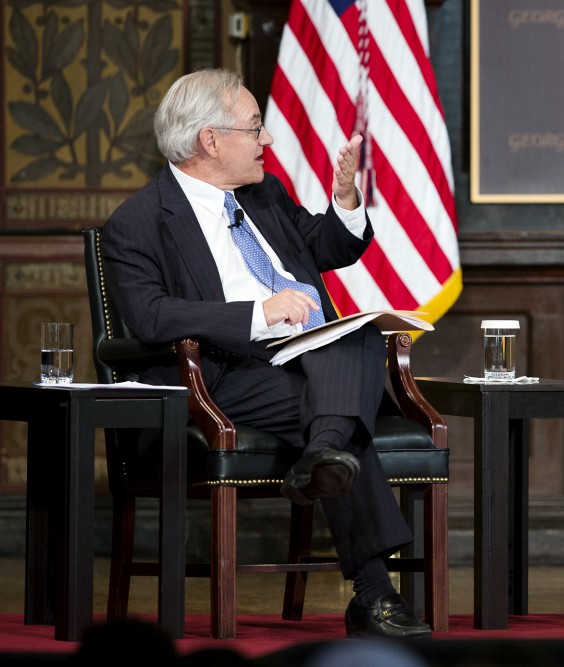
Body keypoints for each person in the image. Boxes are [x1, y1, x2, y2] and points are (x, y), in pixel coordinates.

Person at [101, 68, 430, 639]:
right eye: (255, 128)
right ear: (210, 140)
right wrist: (258, 314)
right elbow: (150, 316)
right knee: (343, 412)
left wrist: (346, 198)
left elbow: (329, 245)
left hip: (310, 362)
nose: (268, 140)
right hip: (221, 373)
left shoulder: (265, 195)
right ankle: (374, 591)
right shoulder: (139, 221)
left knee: (352, 335)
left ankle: (322, 456)